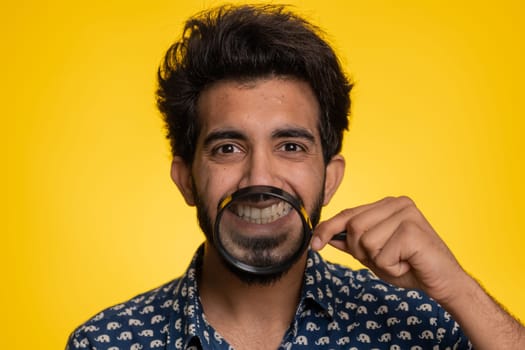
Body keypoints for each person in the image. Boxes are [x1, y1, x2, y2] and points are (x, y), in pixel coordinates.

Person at [66, 4, 525, 349]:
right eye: (228, 147)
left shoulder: (420, 325)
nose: (258, 177)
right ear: (186, 178)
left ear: (329, 178)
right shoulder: (106, 341)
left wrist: (459, 290)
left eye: (290, 146)